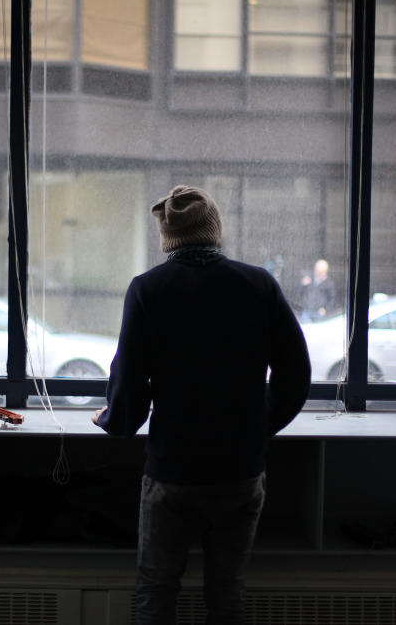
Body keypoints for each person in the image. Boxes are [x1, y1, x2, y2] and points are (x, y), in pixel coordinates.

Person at [91, 185, 311, 624]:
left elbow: (130, 381)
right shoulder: (258, 285)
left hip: (173, 468)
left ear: (168, 237)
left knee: (156, 591)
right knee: (227, 594)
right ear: (214, 231)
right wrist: (257, 424)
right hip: (240, 469)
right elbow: (295, 375)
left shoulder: (147, 290)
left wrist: (114, 419)